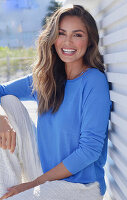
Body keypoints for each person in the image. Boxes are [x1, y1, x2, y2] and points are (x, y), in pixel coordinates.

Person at [0, 4, 112, 200]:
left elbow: (89, 150)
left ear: (89, 41)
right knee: (7, 102)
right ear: (52, 38)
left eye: (77, 35)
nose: (68, 42)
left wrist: (33, 185)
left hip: (80, 186)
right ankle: (6, 192)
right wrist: (1, 118)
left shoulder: (94, 80)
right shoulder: (46, 78)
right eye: (61, 33)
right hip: (44, 174)